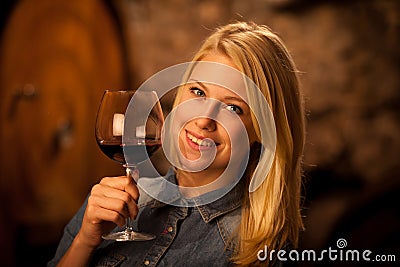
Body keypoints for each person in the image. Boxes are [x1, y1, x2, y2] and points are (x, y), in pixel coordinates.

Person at [48, 21, 305, 266]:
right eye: (198, 92)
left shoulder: (264, 251)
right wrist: (85, 241)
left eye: (232, 108)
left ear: (262, 133)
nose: (204, 119)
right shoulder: (110, 202)